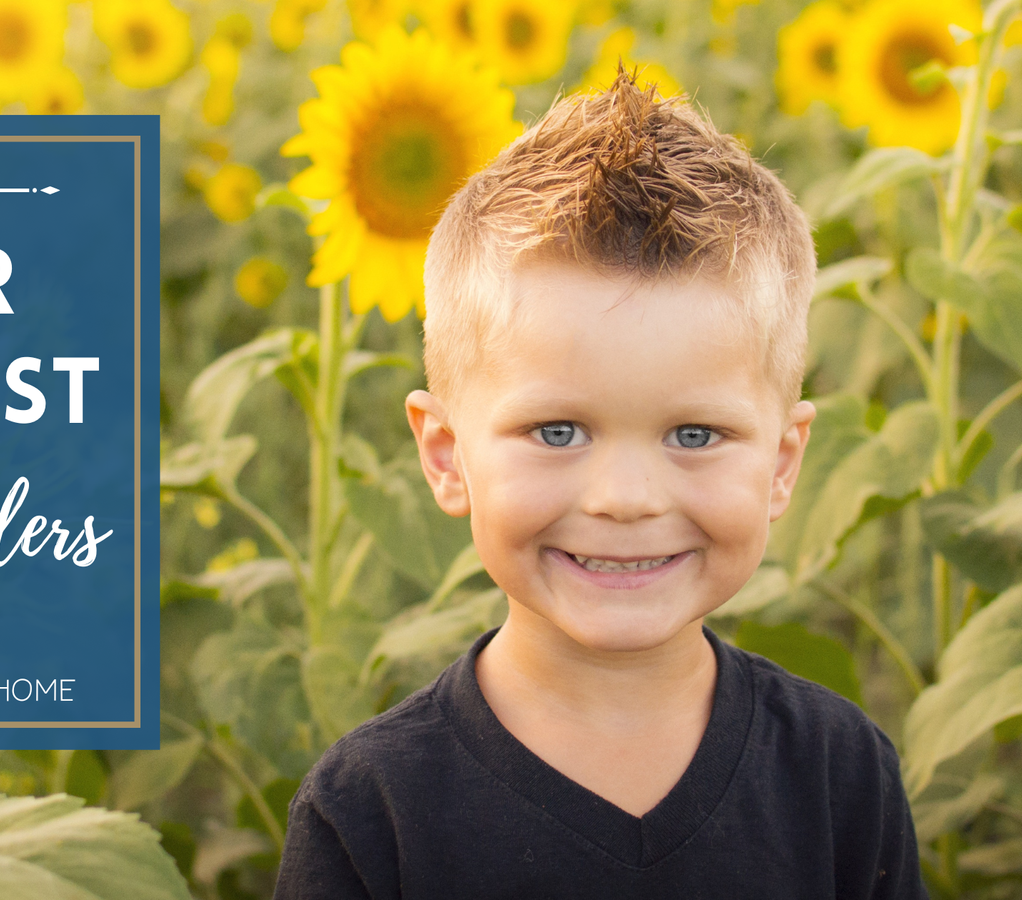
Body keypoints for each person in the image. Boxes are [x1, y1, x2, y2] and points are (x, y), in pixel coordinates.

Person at [272, 68, 927, 899]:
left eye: (695, 435)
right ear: (446, 456)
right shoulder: (373, 811)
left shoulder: (839, 777)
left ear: (781, 463)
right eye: (558, 432)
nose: (625, 497)